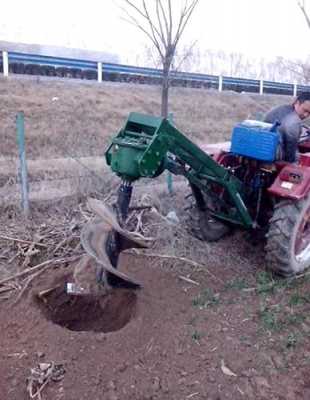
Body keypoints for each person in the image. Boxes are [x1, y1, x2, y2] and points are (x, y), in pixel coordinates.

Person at [264, 92, 310, 162]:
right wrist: (292, 163)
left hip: (265, 148)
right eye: (305, 110)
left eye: (309, 113)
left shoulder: (279, 109)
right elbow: (290, 150)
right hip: (276, 156)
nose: (306, 115)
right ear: (297, 103)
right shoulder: (294, 121)